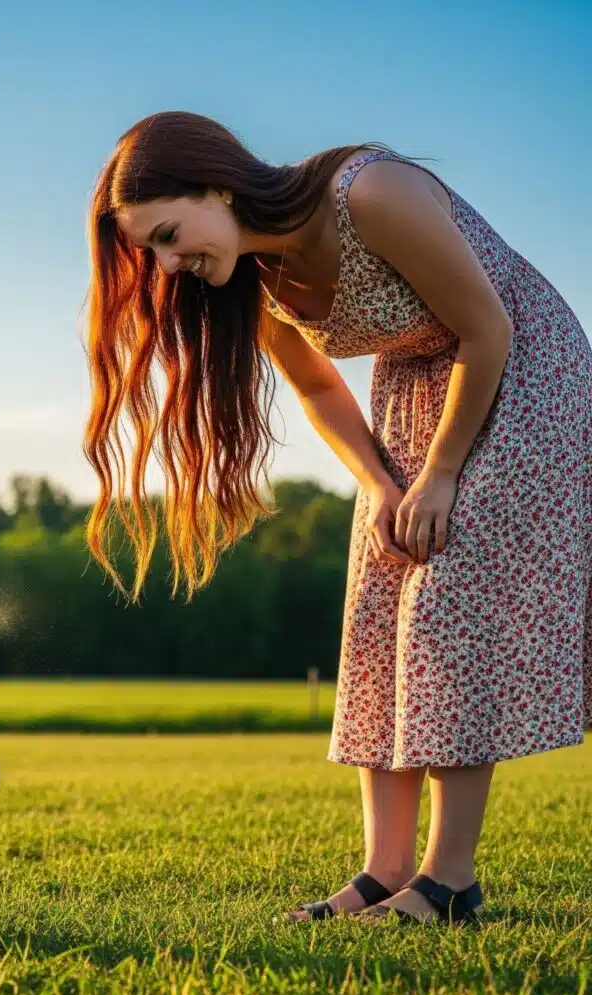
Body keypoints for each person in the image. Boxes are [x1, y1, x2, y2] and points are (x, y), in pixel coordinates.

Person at [81, 111, 591, 925]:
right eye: (155, 251)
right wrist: (383, 485)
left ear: (218, 187)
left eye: (171, 234)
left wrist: (443, 473)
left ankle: (449, 879)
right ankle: (384, 872)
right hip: (415, 394)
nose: (170, 264)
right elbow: (321, 390)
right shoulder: (255, 279)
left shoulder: (370, 194)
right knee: (376, 610)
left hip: (521, 377)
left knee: (442, 607)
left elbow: (486, 326)